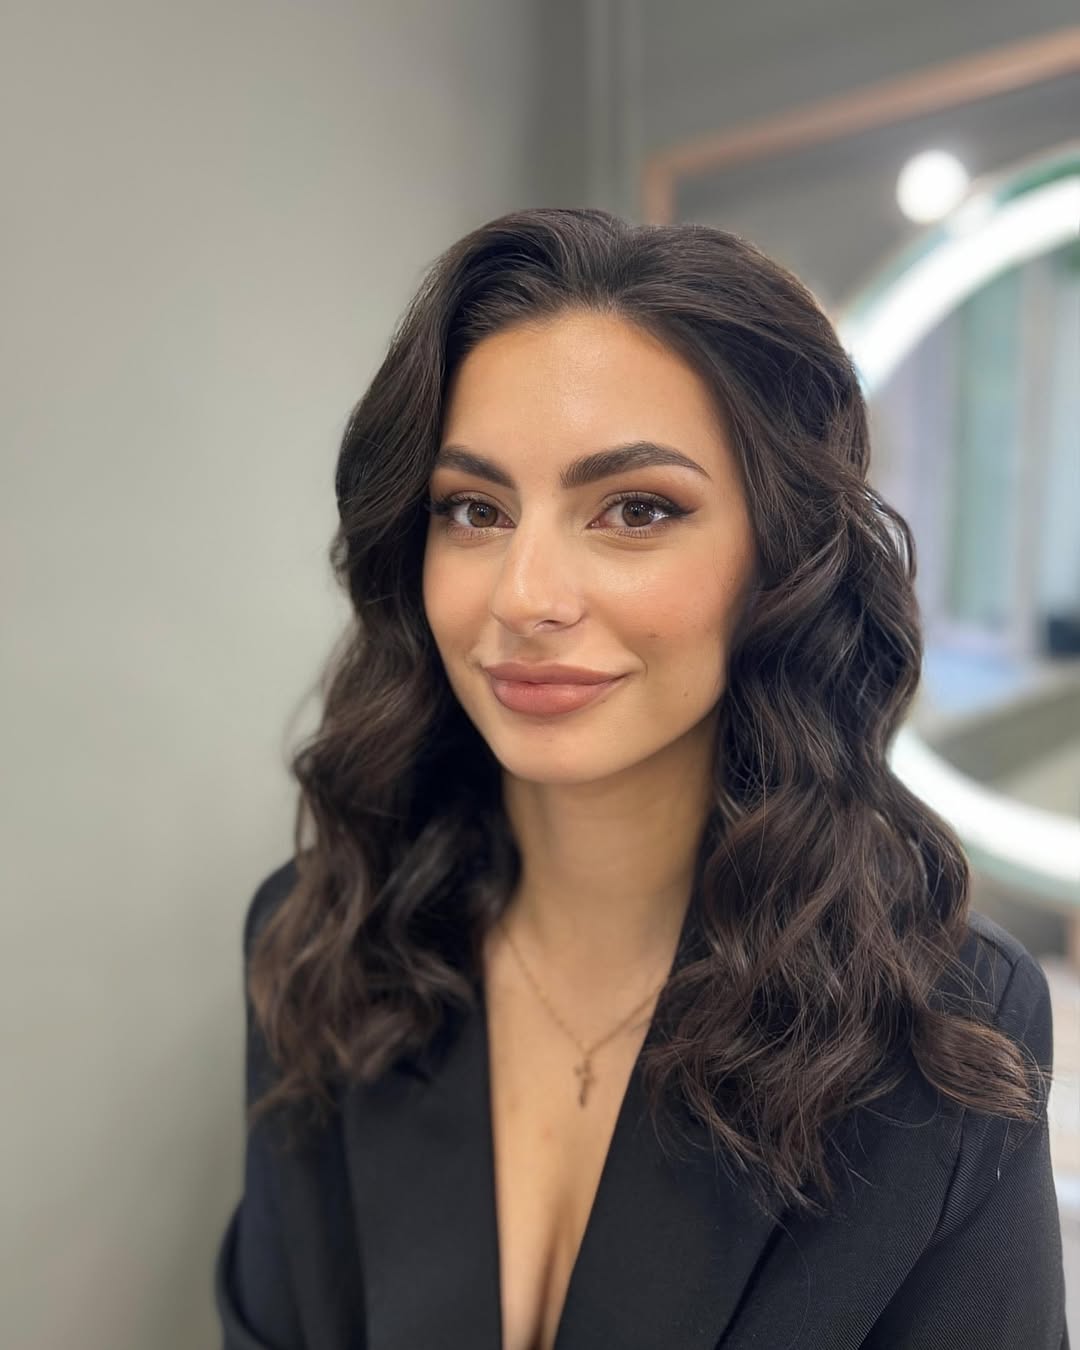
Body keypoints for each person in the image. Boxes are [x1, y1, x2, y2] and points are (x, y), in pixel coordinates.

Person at [213, 207, 1068, 1350]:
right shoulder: (325, 937)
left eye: (635, 510)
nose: (525, 595)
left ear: (781, 558)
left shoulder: (941, 1025)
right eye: (474, 509)